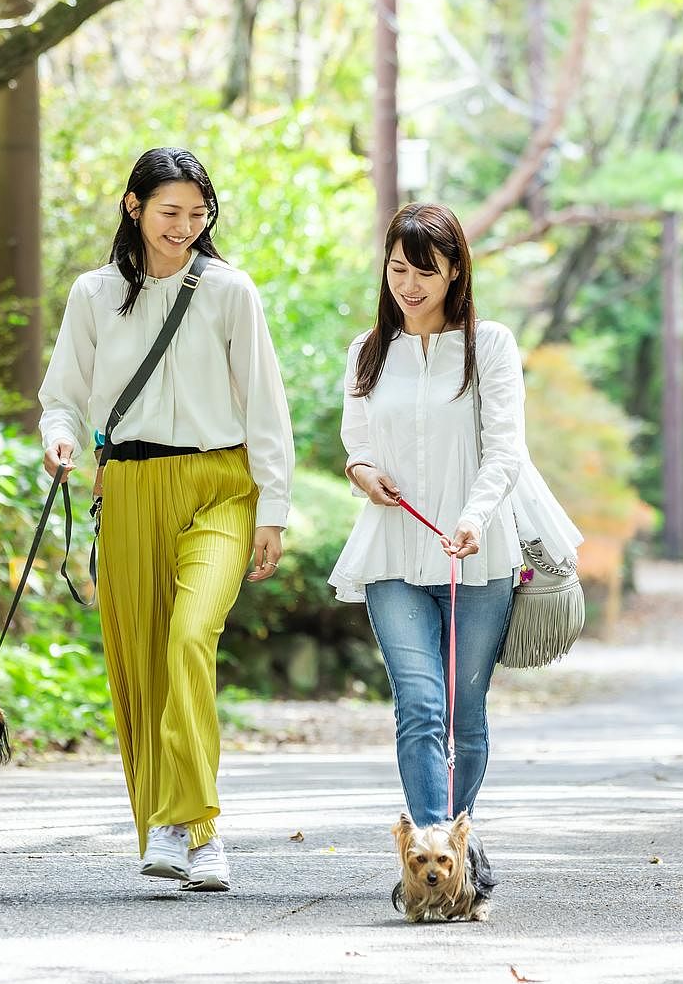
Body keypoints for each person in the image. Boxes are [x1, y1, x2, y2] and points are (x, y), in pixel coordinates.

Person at [37, 147, 292, 893]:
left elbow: (265, 405)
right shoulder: (93, 294)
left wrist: (273, 509)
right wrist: (60, 438)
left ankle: (196, 827)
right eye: (169, 212)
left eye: (197, 214)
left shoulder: (230, 291)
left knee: (188, 638)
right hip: (130, 486)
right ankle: (168, 828)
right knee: (143, 664)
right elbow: (62, 395)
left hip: (221, 484)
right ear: (133, 206)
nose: (183, 227)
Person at [330, 201, 531, 865]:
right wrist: (363, 473)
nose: (409, 285)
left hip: (479, 555)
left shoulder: (488, 345)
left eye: (425, 271)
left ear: (455, 273)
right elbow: (356, 444)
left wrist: (474, 517)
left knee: (464, 713)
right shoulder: (367, 351)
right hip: (393, 552)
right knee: (419, 703)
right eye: (397, 269)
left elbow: (505, 450)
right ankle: (433, 849)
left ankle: (454, 843)